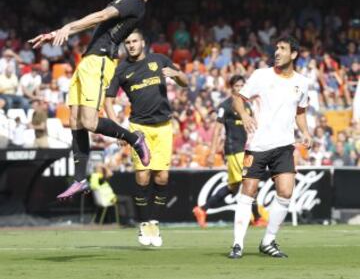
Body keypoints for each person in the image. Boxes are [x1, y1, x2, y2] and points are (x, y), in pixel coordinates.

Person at [29, 0, 165, 200]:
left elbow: (100, 16)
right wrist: (56, 33)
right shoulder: (132, 2)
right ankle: (80, 179)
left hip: (100, 60)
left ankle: (135, 139)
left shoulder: (135, 2)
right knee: (74, 121)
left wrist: (66, 28)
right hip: (88, 61)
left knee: (89, 122)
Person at [229, 36, 312, 259]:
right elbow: (238, 98)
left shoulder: (302, 82)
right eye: (276, 48)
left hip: (284, 145)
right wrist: (245, 115)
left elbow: (301, 112)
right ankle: (238, 244)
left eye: (283, 49)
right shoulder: (261, 75)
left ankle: (268, 241)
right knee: (248, 191)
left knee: (285, 192)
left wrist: (305, 133)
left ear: (293, 54)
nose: (277, 52)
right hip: (257, 145)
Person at [104, 29, 188, 247]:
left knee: (161, 178)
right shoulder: (121, 69)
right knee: (142, 178)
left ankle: (154, 222)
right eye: (127, 42)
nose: (131, 45)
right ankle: (143, 223)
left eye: (134, 41)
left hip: (163, 127)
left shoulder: (159, 60)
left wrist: (177, 75)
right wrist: (118, 130)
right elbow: (108, 101)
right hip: (139, 128)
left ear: (143, 42)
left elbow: (185, 82)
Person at [192, 75, 267, 228]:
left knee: (233, 187)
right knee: (249, 181)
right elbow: (217, 129)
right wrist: (212, 153)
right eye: (237, 85)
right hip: (234, 149)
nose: (240, 88)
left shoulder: (247, 106)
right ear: (231, 87)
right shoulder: (225, 106)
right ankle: (257, 218)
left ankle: (202, 209)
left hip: (245, 148)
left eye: (242, 85)